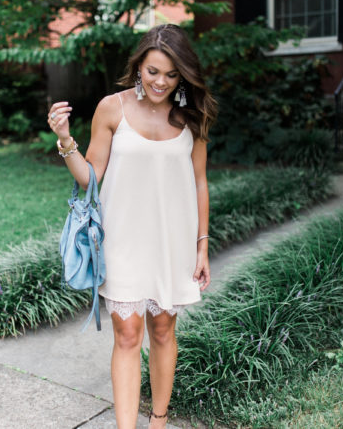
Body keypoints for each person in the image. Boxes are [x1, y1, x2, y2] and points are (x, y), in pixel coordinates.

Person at [48, 24, 218, 429]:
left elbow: (199, 182)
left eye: (171, 74)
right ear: (138, 66)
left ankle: (157, 422)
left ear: (183, 75)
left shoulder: (191, 117)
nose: (161, 82)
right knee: (127, 335)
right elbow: (91, 178)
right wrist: (65, 140)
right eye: (153, 71)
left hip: (171, 242)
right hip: (122, 238)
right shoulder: (113, 108)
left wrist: (202, 246)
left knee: (162, 331)